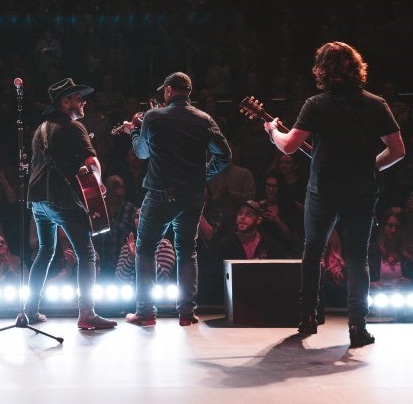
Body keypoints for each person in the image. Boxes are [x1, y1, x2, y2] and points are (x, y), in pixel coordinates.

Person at [264, 42, 405, 347]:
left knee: (313, 251)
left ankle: (307, 317)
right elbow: (397, 151)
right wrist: (371, 166)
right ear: (356, 68)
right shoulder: (376, 103)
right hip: (361, 189)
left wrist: (272, 130)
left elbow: (289, 146)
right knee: (357, 259)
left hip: (323, 189)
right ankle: (357, 326)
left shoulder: (316, 104)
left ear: (321, 71)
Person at [119, 71, 231, 327]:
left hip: (161, 193)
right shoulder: (204, 119)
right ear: (188, 92)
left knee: (146, 249)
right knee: (186, 251)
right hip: (192, 195)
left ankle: (146, 312)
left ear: (169, 90)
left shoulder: (153, 116)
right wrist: (203, 175)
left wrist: (134, 131)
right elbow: (225, 156)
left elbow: (142, 153)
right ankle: (186, 313)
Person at [24, 77, 117, 330]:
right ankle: (86, 313)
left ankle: (30, 310)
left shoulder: (41, 128)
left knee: (45, 251)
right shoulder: (75, 128)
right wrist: (98, 185)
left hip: (38, 199)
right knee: (86, 253)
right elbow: (92, 162)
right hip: (61, 199)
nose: (83, 101)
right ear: (65, 102)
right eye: (78, 98)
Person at [116, 208, 175, 284]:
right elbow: (118, 281)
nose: (140, 219)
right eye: (137, 216)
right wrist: (131, 259)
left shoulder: (164, 245)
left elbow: (163, 280)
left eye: (145, 216)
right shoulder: (127, 247)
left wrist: (144, 252)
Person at [369, 207, 413, 290]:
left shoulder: (410, 252)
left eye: (398, 227)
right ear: (384, 226)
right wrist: (370, 285)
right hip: (375, 299)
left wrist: (410, 282)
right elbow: (358, 278)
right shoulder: (371, 251)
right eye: (390, 225)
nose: (393, 230)